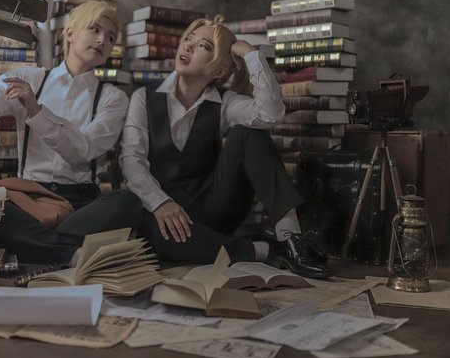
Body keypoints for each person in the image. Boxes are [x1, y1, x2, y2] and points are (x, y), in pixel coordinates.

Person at [119, 15, 331, 278]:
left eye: (203, 46)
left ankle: (291, 238)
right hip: (166, 214)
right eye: (188, 39)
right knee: (153, 234)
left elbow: (271, 115)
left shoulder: (225, 102)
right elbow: (132, 160)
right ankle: (266, 250)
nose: (188, 46)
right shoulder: (143, 98)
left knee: (248, 132)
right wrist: (160, 203)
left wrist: (250, 54)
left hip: (213, 208)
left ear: (219, 72)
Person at [0, 0, 142, 266]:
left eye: (111, 37)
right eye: (95, 29)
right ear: (70, 33)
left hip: (80, 205)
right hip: (29, 198)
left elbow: (83, 150)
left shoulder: (113, 98)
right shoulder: (30, 79)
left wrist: (36, 110)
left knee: (127, 201)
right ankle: (68, 252)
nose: (103, 40)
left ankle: (31, 243)